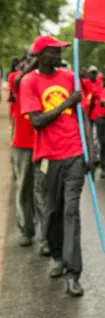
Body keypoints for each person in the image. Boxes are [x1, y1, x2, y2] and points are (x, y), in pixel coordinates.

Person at [20, 35, 94, 297]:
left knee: (71, 211)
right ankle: (57, 257)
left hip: (74, 153)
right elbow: (37, 121)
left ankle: (73, 273)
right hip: (47, 158)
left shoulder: (70, 77)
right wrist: (66, 103)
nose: (60, 55)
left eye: (61, 50)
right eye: (55, 51)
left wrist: (90, 151)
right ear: (41, 56)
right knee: (52, 212)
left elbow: (83, 116)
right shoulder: (29, 81)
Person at [10, 58, 38, 248]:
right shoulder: (16, 78)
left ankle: (46, 238)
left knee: (43, 193)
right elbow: (19, 80)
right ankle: (27, 230)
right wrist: (34, 63)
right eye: (25, 63)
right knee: (24, 191)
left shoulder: (42, 80)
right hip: (22, 145)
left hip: (44, 145)